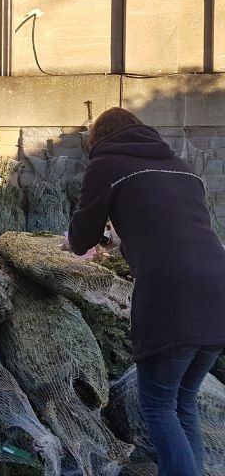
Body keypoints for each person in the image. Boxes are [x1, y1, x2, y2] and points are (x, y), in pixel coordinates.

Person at [66, 107, 225, 476]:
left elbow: (79, 241)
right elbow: (172, 230)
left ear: (97, 140)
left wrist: (93, 236)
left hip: (171, 295)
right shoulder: (182, 169)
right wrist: (119, 237)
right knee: (182, 402)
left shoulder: (106, 164)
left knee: (156, 406)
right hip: (218, 291)